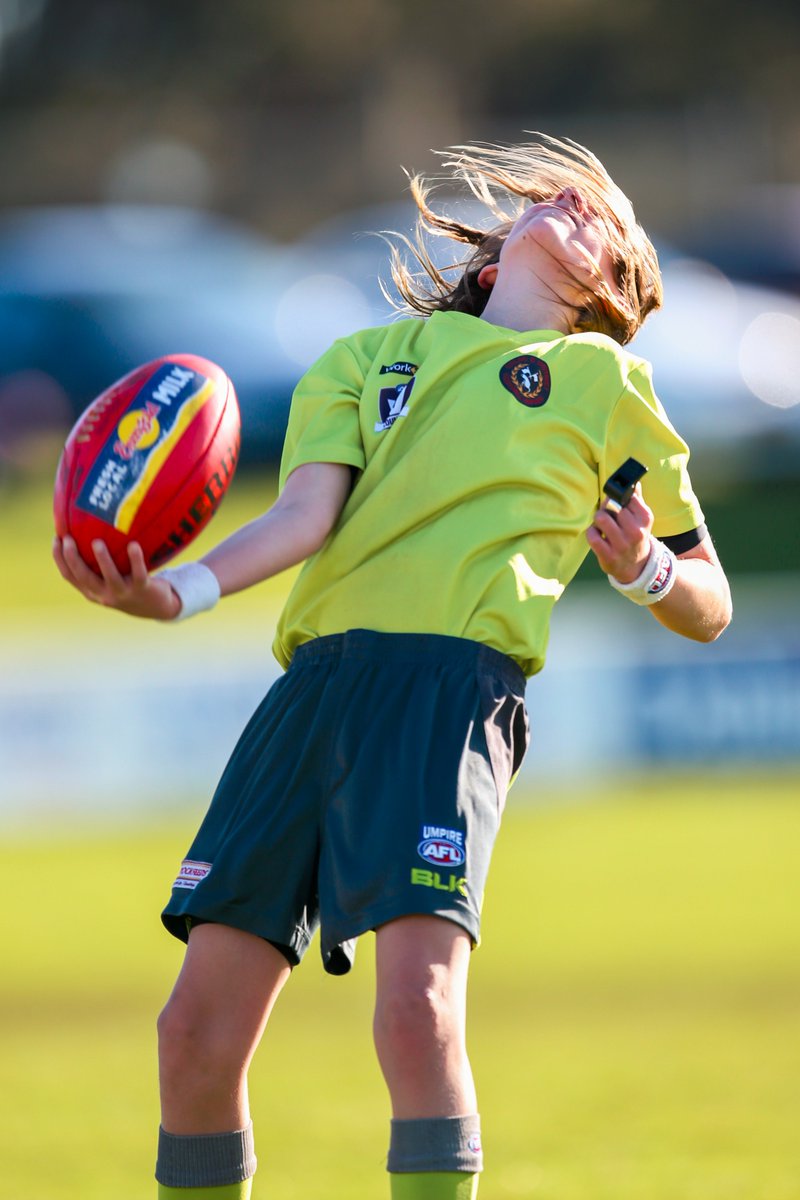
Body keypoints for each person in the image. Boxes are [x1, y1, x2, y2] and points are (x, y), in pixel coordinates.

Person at [53, 133, 732, 1200]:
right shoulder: (364, 359)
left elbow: (709, 602)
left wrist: (646, 564)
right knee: (190, 1035)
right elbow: (298, 519)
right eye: (555, 193)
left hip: (447, 696)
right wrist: (172, 592)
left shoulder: (603, 381)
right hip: (313, 694)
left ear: (609, 289)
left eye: (601, 214)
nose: (567, 200)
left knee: (416, 1015)